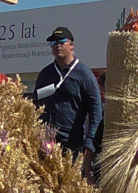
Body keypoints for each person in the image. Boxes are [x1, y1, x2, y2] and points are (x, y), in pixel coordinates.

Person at [33, 26, 102, 181]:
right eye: (53, 42)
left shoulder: (83, 73)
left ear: (71, 45)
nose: (57, 45)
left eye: (62, 41)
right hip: (45, 143)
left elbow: (96, 109)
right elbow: (35, 104)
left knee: (69, 189)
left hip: (72, 145)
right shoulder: (46, 74)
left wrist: (90, 142)